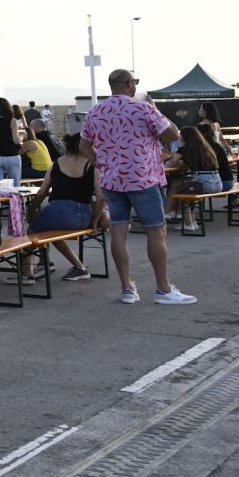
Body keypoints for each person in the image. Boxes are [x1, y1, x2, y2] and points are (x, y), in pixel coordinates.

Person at [82, 69, 194, 305]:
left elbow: (84, 145)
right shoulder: (142, 107)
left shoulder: (95, 111)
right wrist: (155, 107)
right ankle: (163, 289)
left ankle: (127, 288)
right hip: (142, 177)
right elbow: (172, 134)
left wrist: (101, 163)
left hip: (112, 180)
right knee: (156, 230)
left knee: (119, 231)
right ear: (130, 84)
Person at [29, 132, 105, 279]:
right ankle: (76, 266)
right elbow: (101, 197)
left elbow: (41, 193)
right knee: (48, 231)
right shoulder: (93, 166)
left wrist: (31, 211)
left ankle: (41, 265)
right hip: (84, 215)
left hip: (57, 211)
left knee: (32, 229)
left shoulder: (57, 163)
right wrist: (95, 221)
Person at [170, 125, 224, 233]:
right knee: (181, 184)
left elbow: (172, 161)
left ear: (185, 137)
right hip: (217, 183)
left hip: (203, 182)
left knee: (182, 192)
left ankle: (189, 223)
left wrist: (177, 160)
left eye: (180, 135)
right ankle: (191, 221)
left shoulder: (184, 149)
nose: (179, 137)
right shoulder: (205, 147)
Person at [0, 97, 25, 186]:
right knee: (15, 185)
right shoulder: (12, 120)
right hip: (12, 155)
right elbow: (16, 140)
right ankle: (15, 200)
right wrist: (21, 137)